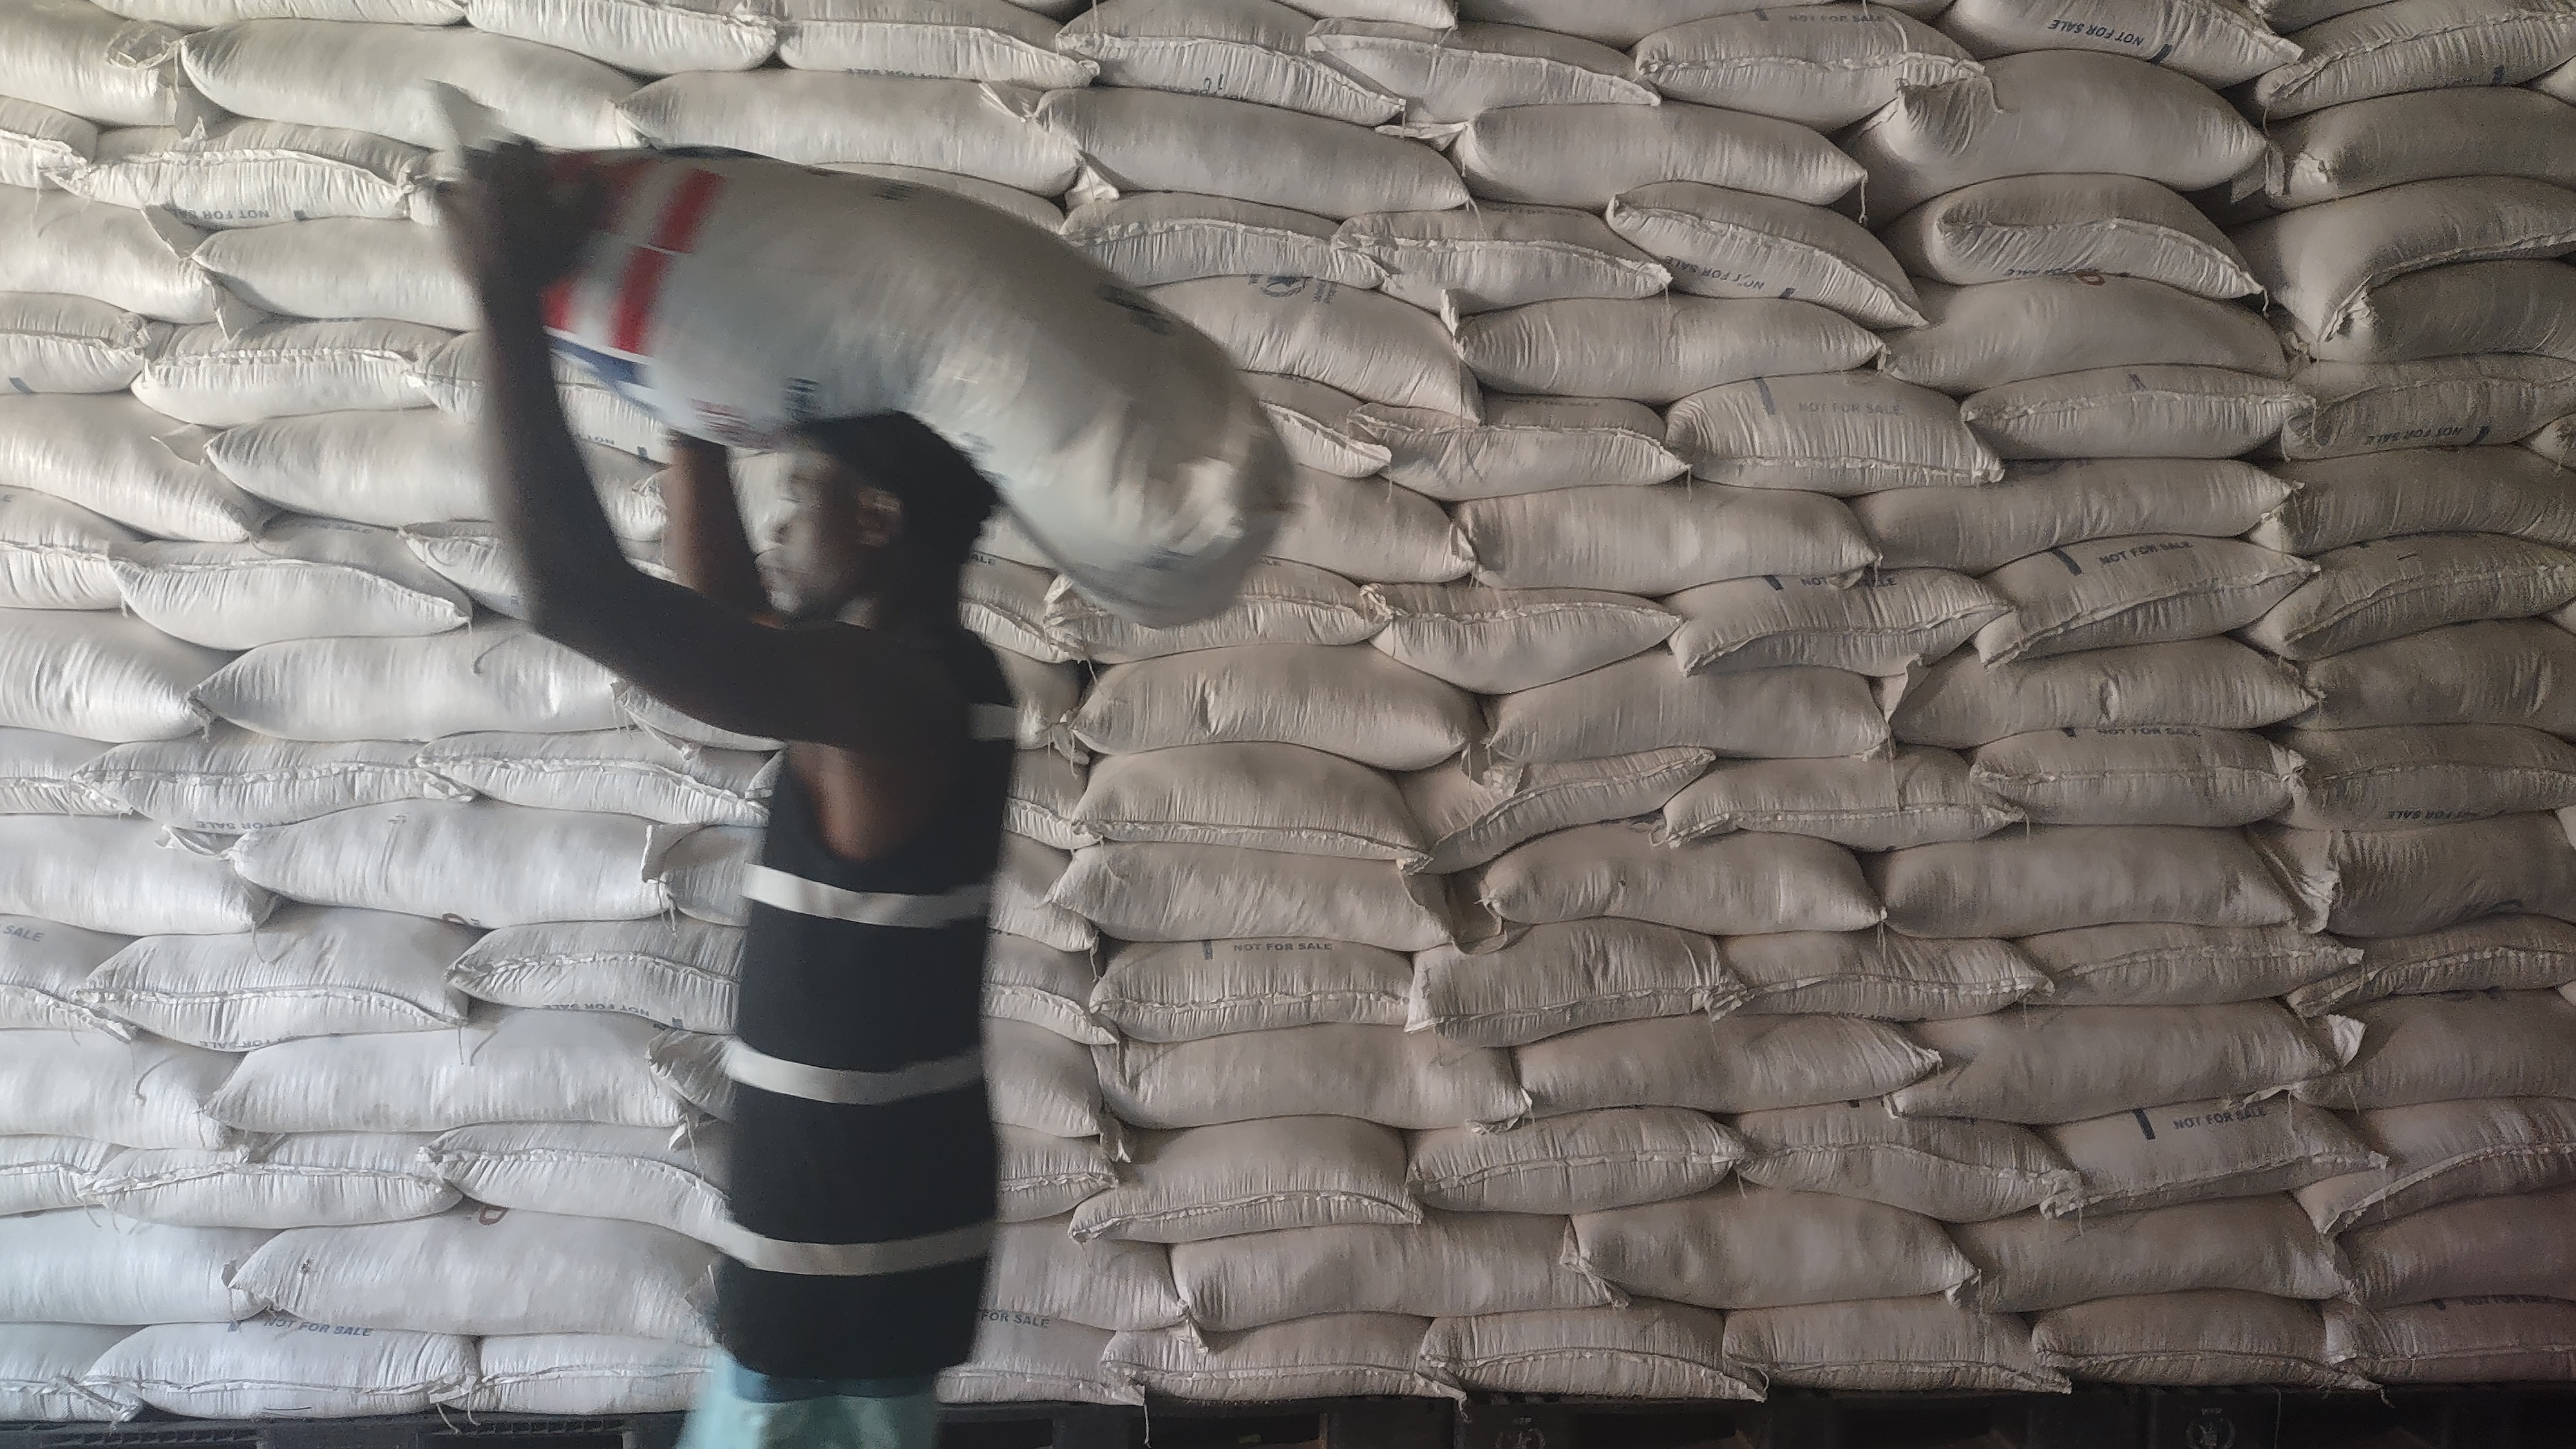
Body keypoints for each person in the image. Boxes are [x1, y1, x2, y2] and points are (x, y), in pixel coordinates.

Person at [439, 140, 1011, 1449]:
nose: (783, 524)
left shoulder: (904, 699)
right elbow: (729, 635)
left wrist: (501, 299)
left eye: (796, 495)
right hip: (856, 1243)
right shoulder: (904, 677)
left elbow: (576, 595)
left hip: (845, 1262)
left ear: (872, 514)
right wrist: (684, 407)